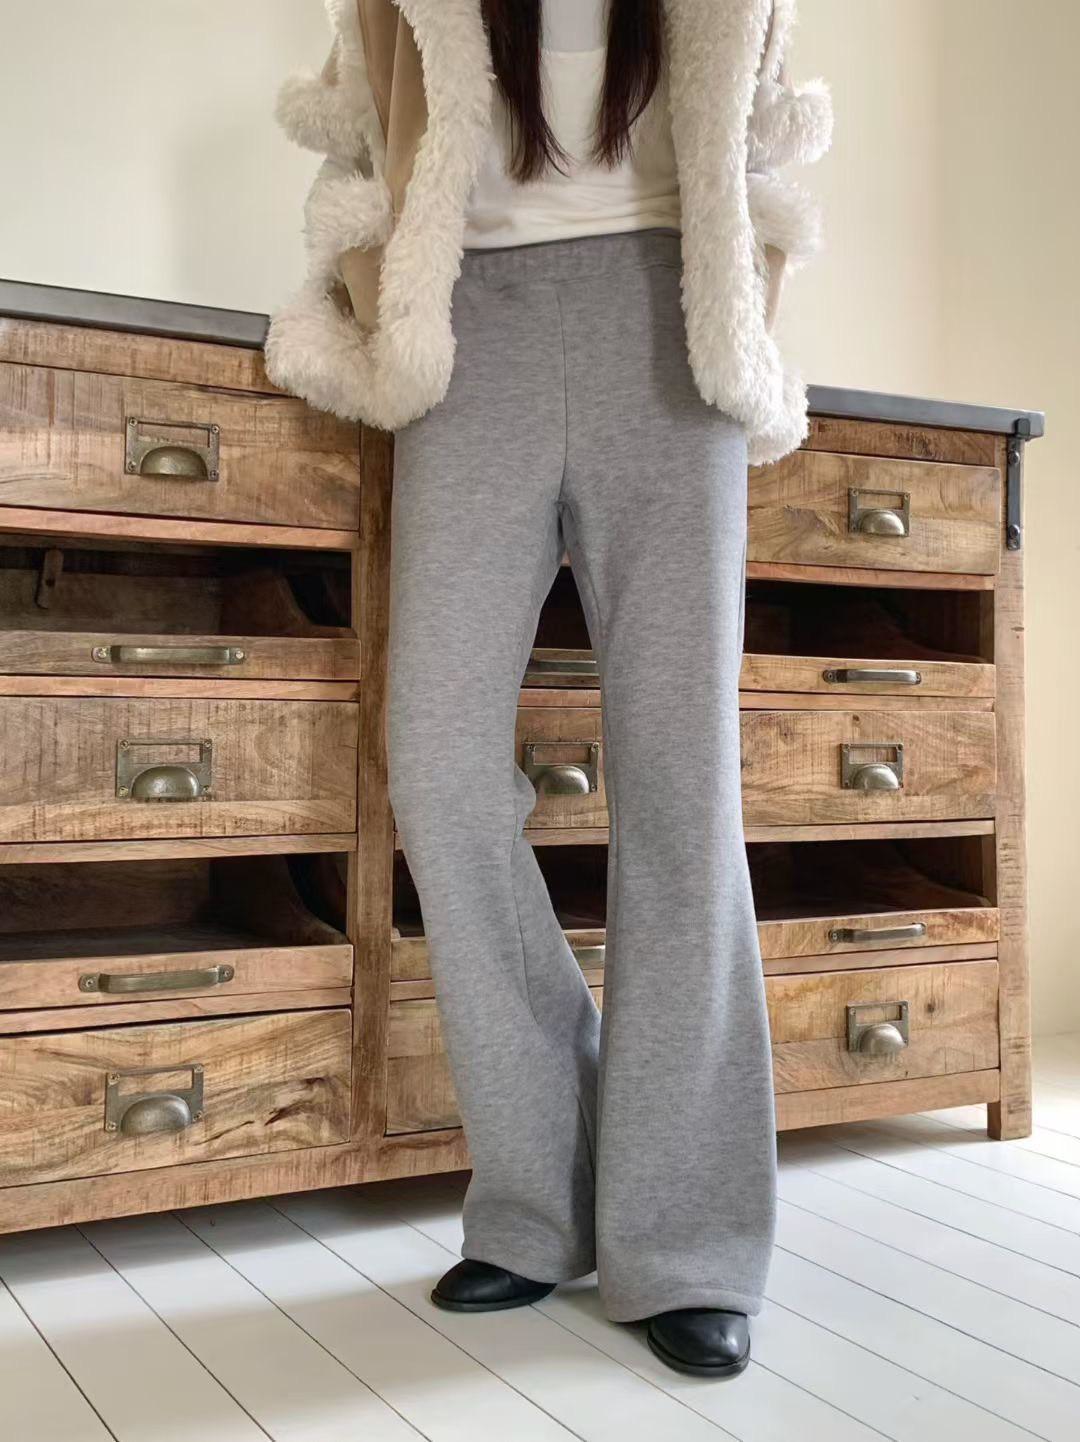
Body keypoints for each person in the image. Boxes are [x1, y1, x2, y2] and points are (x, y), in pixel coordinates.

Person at [268, 0, 831, 1379]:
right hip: (473, 337)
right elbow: (359, 143)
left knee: (681, 790)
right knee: (438, 764)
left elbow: (763, 148)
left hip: (669, 332)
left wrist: (746, 303)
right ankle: (539, 1189)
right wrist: (381, 298)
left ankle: (687, 1238)